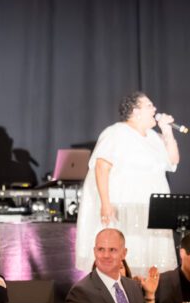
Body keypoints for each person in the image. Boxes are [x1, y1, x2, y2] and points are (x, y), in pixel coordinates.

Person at [75, 92, 180, 273]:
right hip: (124, 206)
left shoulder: (153, 137)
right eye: (149, 106)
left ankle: (146, 297)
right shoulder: (116, 132)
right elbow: (101, 168)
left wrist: (167, 131)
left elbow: (172, 161)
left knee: (148, 258)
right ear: (135, 111)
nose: (155, 109)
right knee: (129, 251)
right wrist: (105, 204)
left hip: (150, 208)